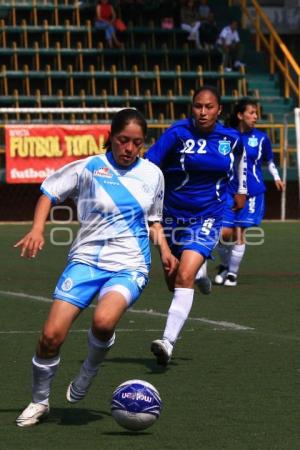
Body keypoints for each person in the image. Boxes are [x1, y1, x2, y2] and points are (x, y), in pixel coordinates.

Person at [15, 108, 177, 427]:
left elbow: (154, 220)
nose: (129, 149)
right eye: (122, 140)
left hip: (130, 264)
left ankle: (88, 370)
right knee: (50, 336)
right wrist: (37, 229)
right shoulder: (91, 166)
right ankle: (39, 401)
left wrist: (165, 250)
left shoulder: (153, 175)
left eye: (137, 143)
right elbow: (49, 192)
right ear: (110, 137)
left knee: (103, 322)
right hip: (85, 261)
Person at [144, 85, 247, 365]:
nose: (202, 112)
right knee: (174, 280)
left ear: (219, 110)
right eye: (198, 106)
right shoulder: (177, 133)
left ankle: (167, 341)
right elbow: (149, 165)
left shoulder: (231, 138)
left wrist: (241, 188)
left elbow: (240, 162)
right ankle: (201, 273)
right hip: (171, 216)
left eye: (209, 107)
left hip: (207, 215)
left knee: (183, 275)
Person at [214, 98, 285, 287]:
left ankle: (232, 274)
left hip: (252, 191)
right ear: (240, 115)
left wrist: (276, 177)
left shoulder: (261, 138)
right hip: (227, 190)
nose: (256, 116)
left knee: (239, 231)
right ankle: (224, 265)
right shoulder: (227, 136)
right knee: (223, 233)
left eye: (257, 113)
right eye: (252, 112)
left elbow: (269, 160)